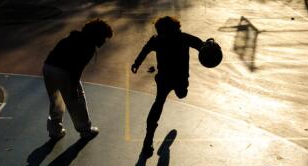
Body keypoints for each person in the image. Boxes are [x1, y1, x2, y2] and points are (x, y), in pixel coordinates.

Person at [131, 16, 204, 156]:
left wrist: (136, 63)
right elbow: (200, 44)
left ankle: (148, 138)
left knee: (161, 102)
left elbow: (145, 50)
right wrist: (208, 47)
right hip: (176, 78)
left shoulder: (159, 39)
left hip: (166, 78)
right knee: (171, 98)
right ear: (176, 27)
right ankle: (148, 139)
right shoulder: (182, 37)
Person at [43, 19, 113, 139]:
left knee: (56, 100)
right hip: (64, 72)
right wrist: (74, 88)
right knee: (77, 101)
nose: (104, 42)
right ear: (98, 36)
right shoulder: (88, 46)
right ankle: (85, 130)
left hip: (48, 67)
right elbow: (76, 69)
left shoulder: (74, 36)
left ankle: (55, 130)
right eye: (104, 38)